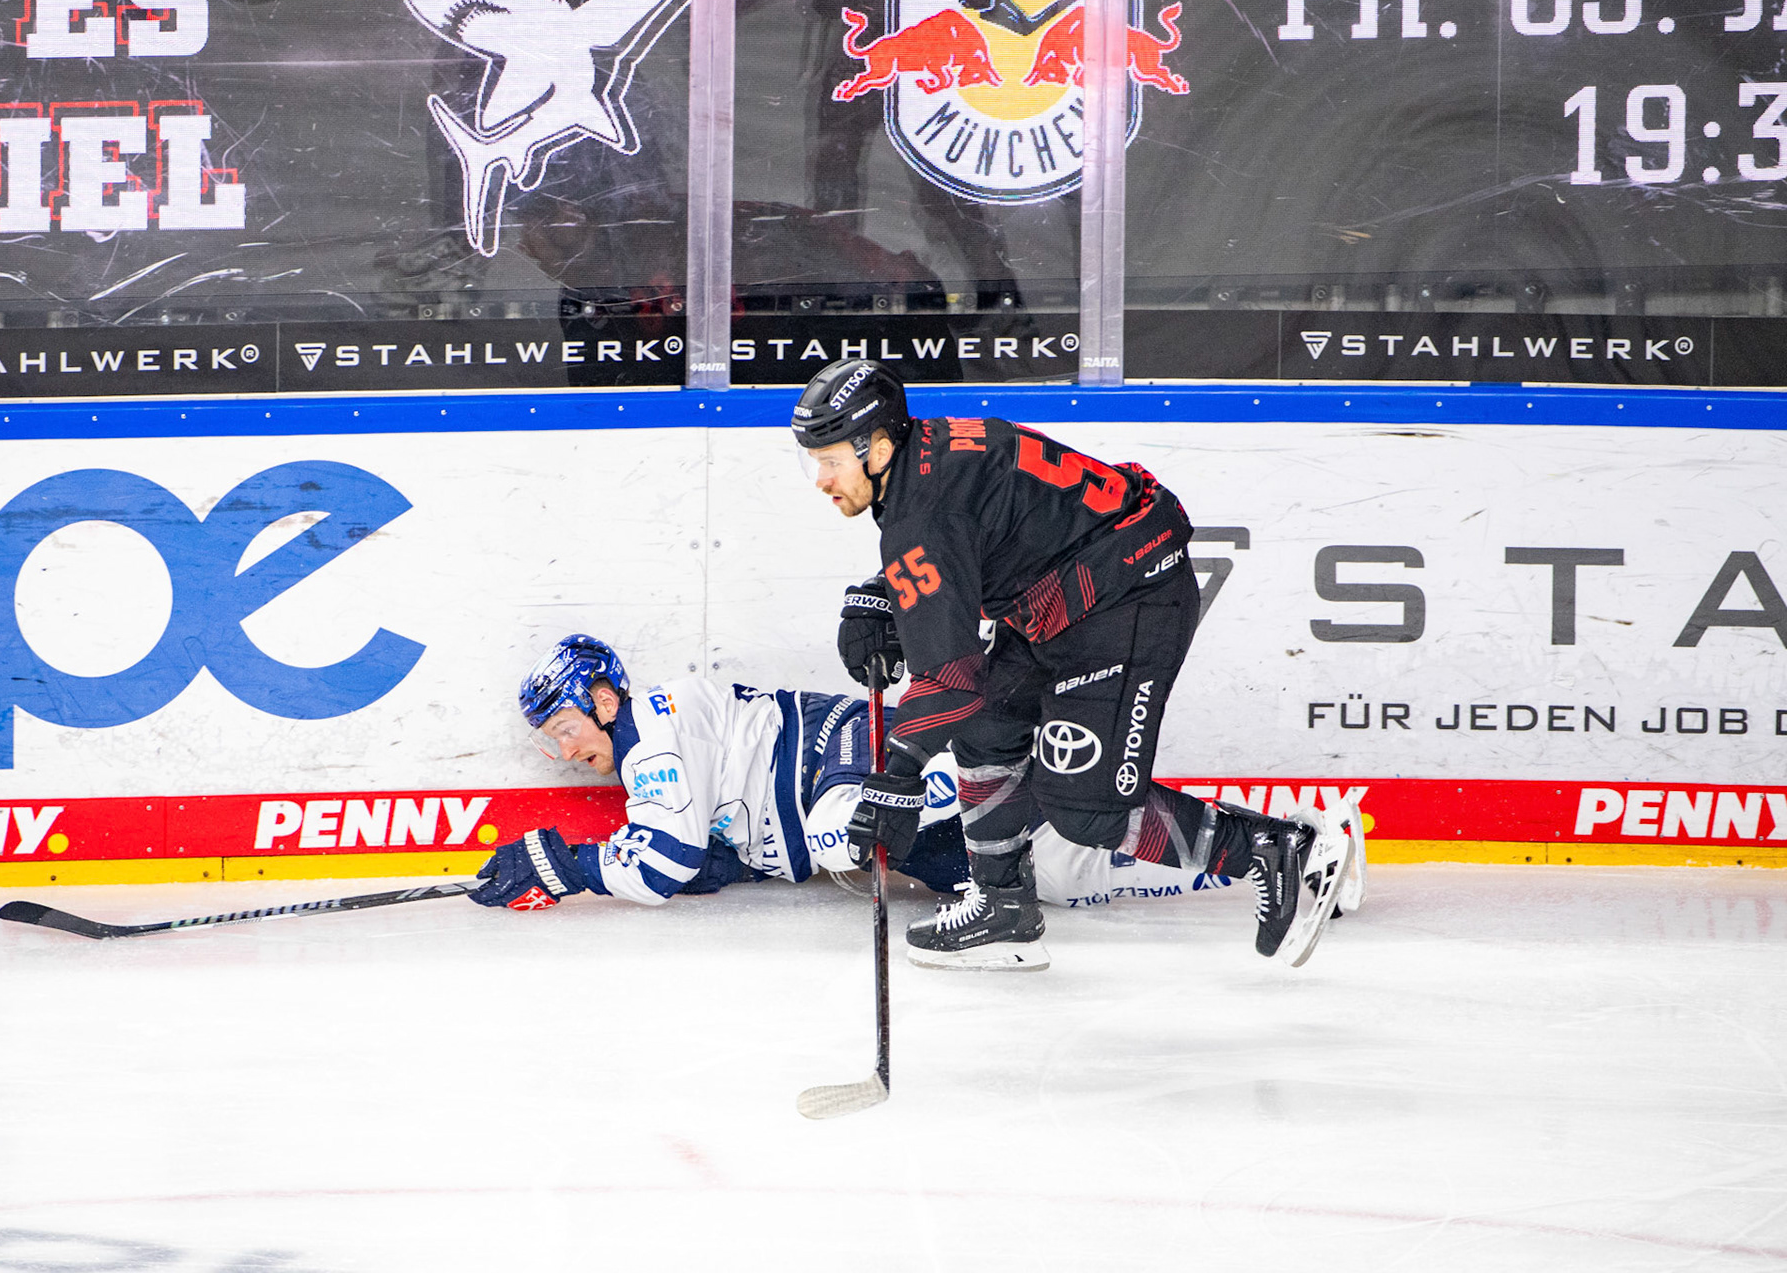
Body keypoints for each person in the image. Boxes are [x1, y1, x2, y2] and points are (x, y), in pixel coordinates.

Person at [792, 358, 1360, 971]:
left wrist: (898, 777)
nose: (820, 480)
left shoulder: (920, 513)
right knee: (987, 726)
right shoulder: (932, 448)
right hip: (1075, 596)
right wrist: (884, 593)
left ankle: (1272, 846)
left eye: (830, 461)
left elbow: (949, 678)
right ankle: (1004, 906)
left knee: (1085, 807)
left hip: (1128, 600)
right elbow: (977, 535)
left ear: (877, 448)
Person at [469, 635, 1248, 931]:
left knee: (845, 828)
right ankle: (1271, 848)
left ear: (604, 701)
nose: (565, 752)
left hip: (844, 754)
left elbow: (662, 861)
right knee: (1062, 873)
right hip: (856, 804)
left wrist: (562, 864)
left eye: (565, 730)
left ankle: (1022, 759)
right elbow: (701, 851)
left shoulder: (652, 734)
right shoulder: (651, 746)